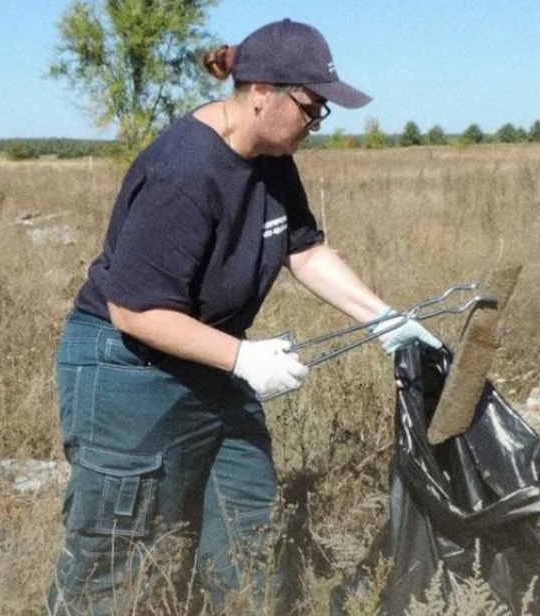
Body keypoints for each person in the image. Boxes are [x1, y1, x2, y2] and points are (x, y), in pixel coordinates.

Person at [48, 18, 441, 616]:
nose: (316, 124)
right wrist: (242, 358)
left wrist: (386, 321)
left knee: (250, 536)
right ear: (261, 92)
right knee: (116, 559)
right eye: (311, 108)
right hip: (129, 368)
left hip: (210, 359)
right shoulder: (184, 170)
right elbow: (135, 309)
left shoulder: (271, 157)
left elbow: (302, 250)